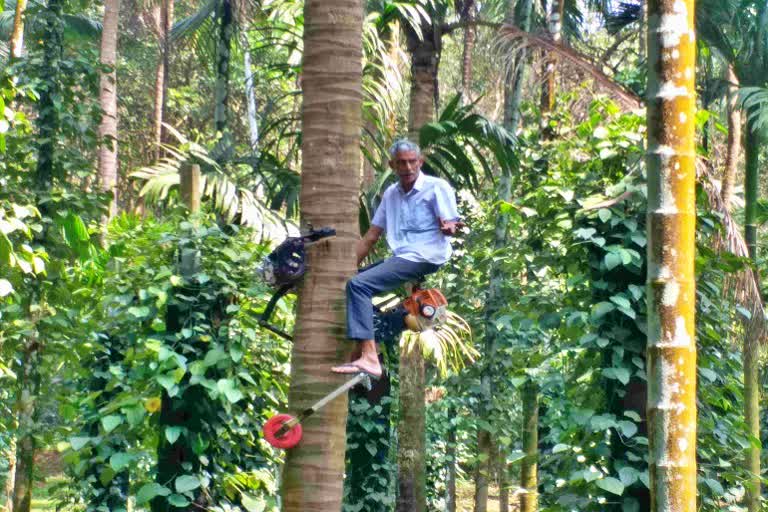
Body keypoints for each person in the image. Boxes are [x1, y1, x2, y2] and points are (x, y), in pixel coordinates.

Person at [331, 139, 461, 378]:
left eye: (413, 162)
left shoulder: (436, 187)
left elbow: (453, 224)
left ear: (420, 162)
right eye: (402, 163)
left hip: (427, 254)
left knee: (359, 286)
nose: (408, 167)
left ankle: (370, 357)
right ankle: (371, 343)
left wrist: (450, 228)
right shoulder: (390, 194)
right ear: (392, 165)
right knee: (354, 281)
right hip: (404, 255)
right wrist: (346, 270)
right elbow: (370, 237)